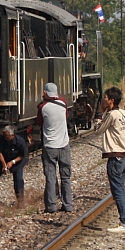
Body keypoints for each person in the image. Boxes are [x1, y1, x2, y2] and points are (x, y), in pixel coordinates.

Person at [87, 87, 125, 233]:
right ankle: (124, 220)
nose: (103, 100)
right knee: (120, 186)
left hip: (114, 157)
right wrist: (123, 143)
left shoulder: (112, 114)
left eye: (105, 98)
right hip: (123, 155)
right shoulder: (124, 113)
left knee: (118, 189)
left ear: (111, 100)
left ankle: (124, 222)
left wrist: (98, 113)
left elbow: (97, 130)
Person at [36, 82, 73, 213]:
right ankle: (68, 204)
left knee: (51, 177)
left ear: (45, 93)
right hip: (64, 145)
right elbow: (66, 116)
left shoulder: (43, 108)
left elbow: (39, 123)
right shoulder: (63, 103)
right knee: (65, 176)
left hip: (50, 146)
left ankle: (51, 206)